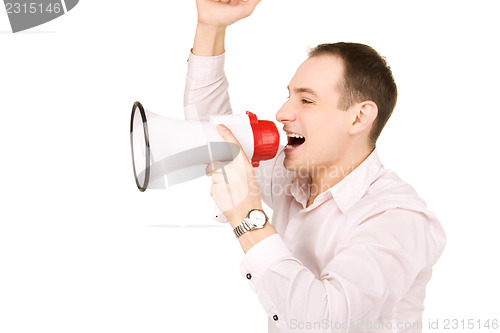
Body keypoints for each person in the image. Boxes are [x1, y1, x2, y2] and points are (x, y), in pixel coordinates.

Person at [184, 1, 447, 332]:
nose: (281, 112)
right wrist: (210, 26)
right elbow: (212, 136)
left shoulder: (399, 217)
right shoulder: (291, 176)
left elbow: (324, 323)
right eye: (289, 96)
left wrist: (248, 217)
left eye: (306, 101)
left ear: (359, 117)